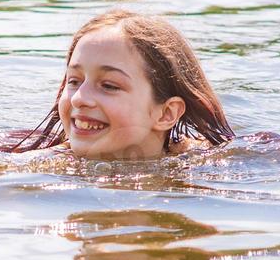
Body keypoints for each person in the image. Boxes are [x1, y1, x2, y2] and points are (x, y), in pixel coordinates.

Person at [13, 9, 234, 159]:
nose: (79, 98)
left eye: (109, 86)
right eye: (74, 81)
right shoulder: (35, 166)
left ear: (166, 113)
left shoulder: (206, 169)